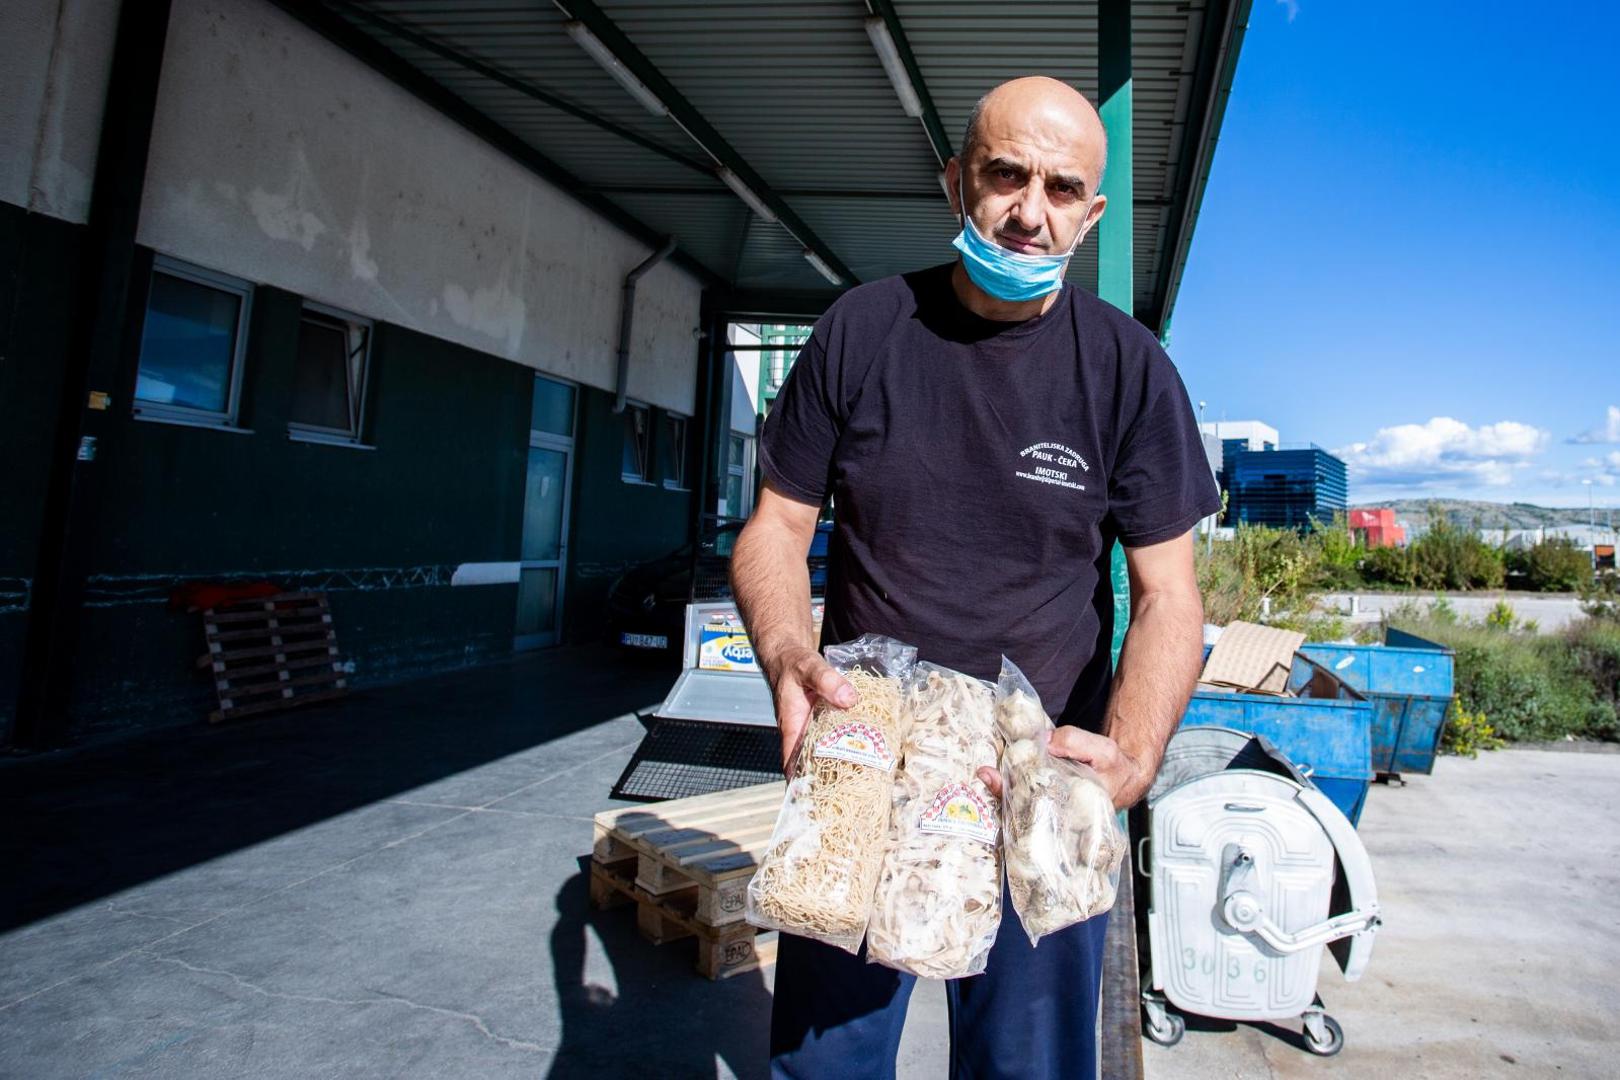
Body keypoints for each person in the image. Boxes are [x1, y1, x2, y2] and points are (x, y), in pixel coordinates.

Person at [729, 75, 1220, 1080]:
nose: (1029, 212)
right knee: (824, 1064)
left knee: (1026, 1068)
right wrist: (784, 655)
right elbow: (775, 528)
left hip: (1037, 780)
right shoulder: (864, 331)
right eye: (1005, 175)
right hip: (866, 766)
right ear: (958, 181)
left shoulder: (1129, 371)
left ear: (1092, 212)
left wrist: (1130, 752)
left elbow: (1171, 596)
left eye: (1060, 188)